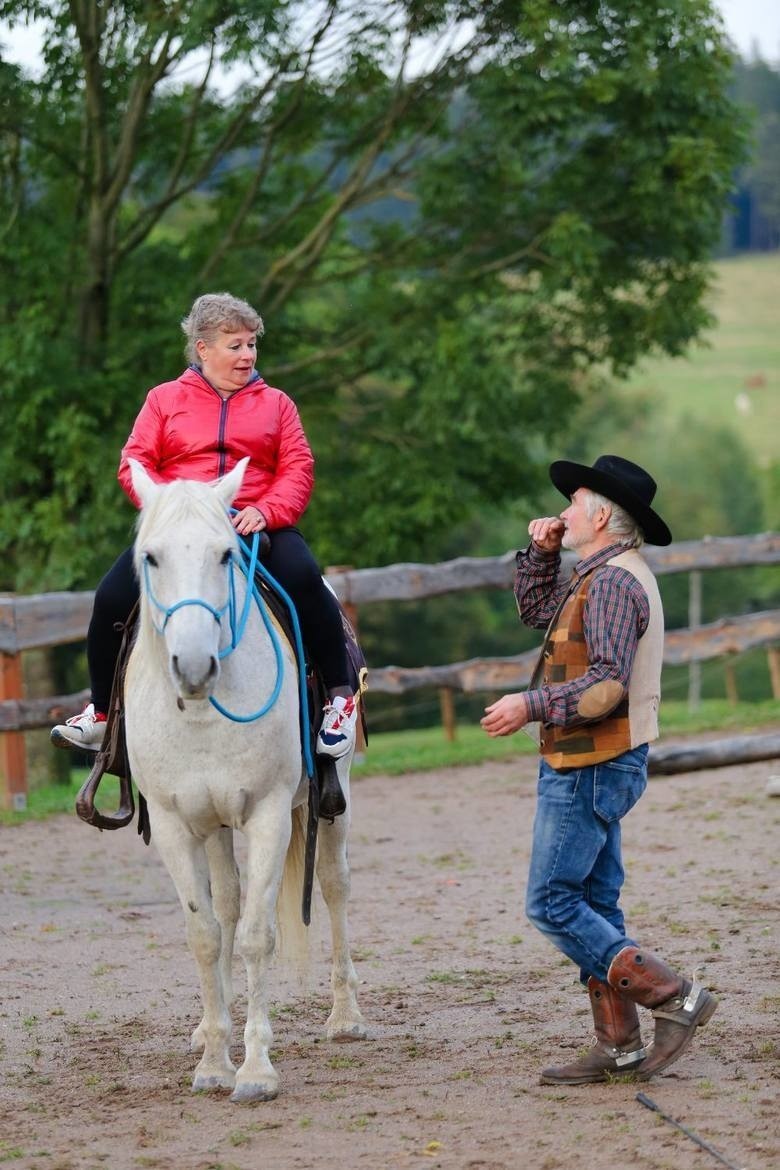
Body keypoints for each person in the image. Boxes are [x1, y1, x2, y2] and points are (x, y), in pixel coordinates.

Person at [481, 454, 717, 1084]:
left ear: (602, 515)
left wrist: (529, 704)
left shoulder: (611, 582)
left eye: (573, 502)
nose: (561, 511)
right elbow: (537, 612)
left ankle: (675, 997)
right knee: (593, 902)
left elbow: (606, 686)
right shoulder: (601, 570)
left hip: (591, 761)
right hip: (600, 759)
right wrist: (540, 554)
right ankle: (619, 1046)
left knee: (553, 903)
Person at [52, 292, 359, 763]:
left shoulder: (277, 404)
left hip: (255, 522)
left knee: (304, 578)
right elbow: (135, 463)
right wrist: (169, 511)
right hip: (182, 529)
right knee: (111, 597)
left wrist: (269, 510)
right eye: (235, 346)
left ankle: (339, 699)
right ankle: (101, 712)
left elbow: (298, 467)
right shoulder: (163, 399)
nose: (248, 355)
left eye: (251, 344)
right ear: (203, 348)